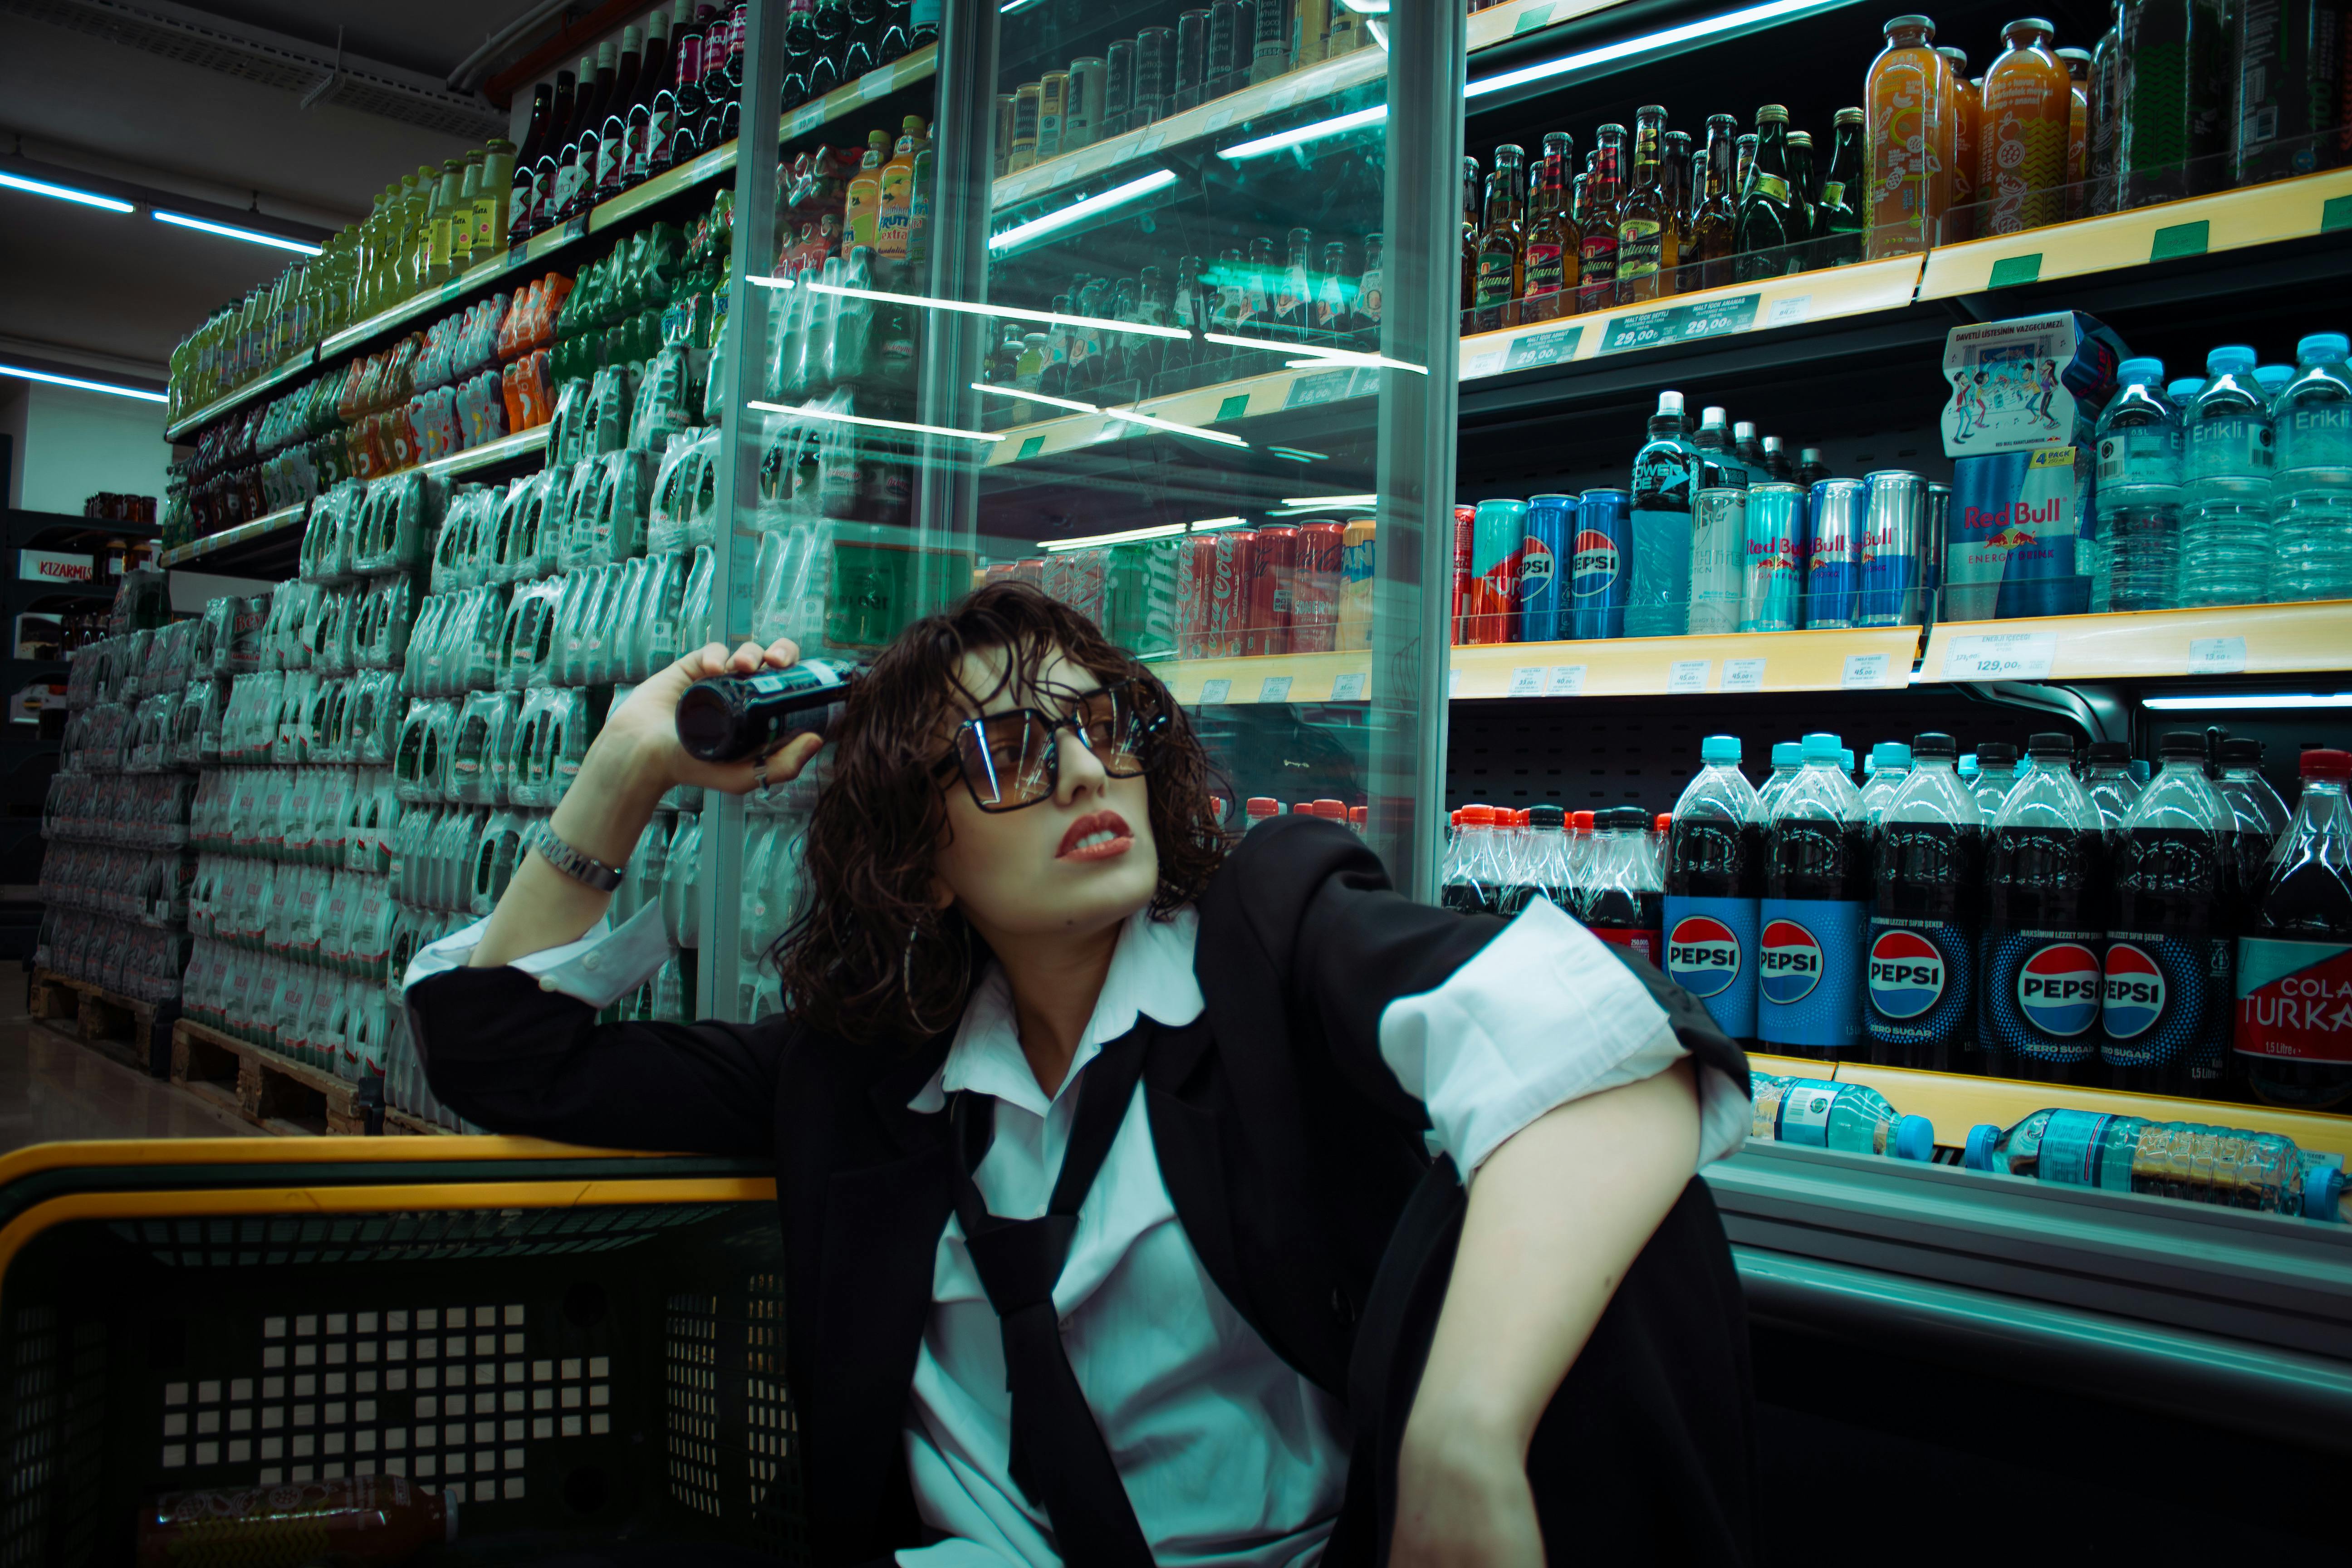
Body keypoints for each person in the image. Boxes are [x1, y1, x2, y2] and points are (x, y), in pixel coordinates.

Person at [405, 583, 1755, 1568]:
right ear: (920, 858)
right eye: (1006, 751)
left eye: (1102, 722)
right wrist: (629, 767)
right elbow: (499, 1049)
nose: (1081, 769)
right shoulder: (860, 1075)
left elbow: (1608, 1048)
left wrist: (1463, 1439)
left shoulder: (1271, 946)